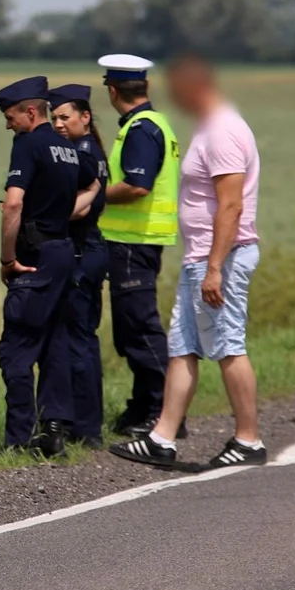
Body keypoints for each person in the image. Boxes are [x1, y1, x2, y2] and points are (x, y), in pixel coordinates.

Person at [110, 53, 266, 469]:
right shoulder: (213, 128)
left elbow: (230, 206)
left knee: (228, 345)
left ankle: (248, 440)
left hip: (219, 259)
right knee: (183, 347)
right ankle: (162, 437)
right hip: (202, 258)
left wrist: (215, 267)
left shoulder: (223, 132)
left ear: (194, 87)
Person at [0, 77, 99, 458]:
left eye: (10, 117)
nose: (8, 125)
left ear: (30, 111)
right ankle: (53, 430)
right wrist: (64, 211)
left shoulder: (28, 143)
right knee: (54, 343)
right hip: (63, 253)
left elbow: (13, 205)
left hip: (34, 259)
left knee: (17, 347)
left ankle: (18, 438)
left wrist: (8, 260)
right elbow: (94, 184)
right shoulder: (68, 148)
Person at [96, 54, 187, 440]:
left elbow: (136, 186)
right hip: (136, 243)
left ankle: (166, 414)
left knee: (140, 330)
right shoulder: (152, 124)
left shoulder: (141, 129)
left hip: (135, 244)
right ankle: (144, 405)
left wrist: (91, 196)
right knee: (131, 331)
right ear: (145, 86)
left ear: (113, 92)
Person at [49, 83, 110, 448]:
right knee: (82, 339)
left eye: (64, 117)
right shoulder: (89, 149)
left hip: (81, 252)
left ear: (85, 117)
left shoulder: (82, 154)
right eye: (53, 117)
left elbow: (80, 207)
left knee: (79, 341)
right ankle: (86, 425)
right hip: (89, 250)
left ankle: (86, 429)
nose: (58, 123)